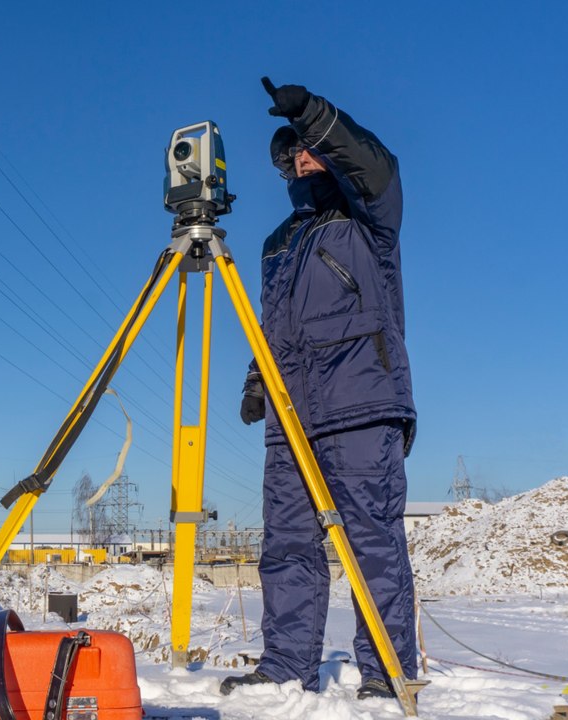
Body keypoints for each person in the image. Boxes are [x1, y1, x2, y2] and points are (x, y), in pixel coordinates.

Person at [220, 79, 418, 701]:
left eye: (313, 145)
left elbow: (373, 165)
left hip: (360, 402)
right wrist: (258, 380)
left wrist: (315, 115)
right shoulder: (277, 244)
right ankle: (284, 667)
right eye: (296, 147)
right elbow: (272, 324)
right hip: (292, 417)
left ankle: (388, 674)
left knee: (371, 546)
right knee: (286, 548)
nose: (304, 153)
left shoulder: (369, 218)